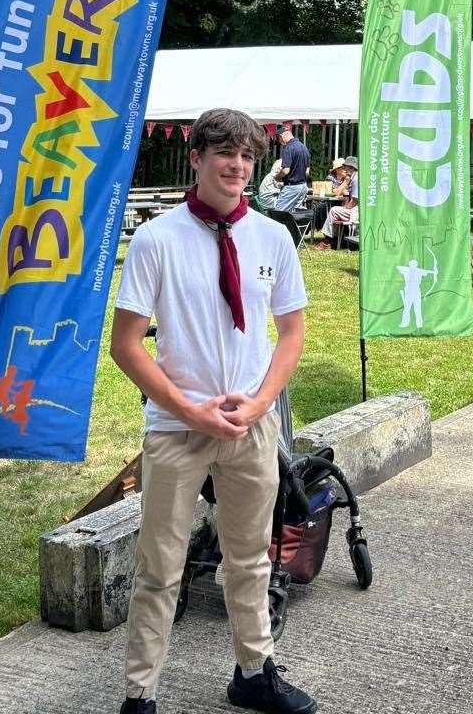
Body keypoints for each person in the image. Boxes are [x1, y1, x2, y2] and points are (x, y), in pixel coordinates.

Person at [109, 108, 317, 714]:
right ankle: (139, 694)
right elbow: (126, 346)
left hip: (251, 427)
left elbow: (292, 334)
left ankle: (253, 672)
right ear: (195, 158)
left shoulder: (273, 237)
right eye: (225, 153)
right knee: (159, 567)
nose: (238, 166)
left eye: (249, 156)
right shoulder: (156, 240)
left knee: (250, 558)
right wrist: (191, 412)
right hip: (178, 428)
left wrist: (259, 404)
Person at [318, 156, 359, 248]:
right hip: (357, 209)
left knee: (333, 210)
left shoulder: (356, 179)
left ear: (352, 167)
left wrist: (346, 207)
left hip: (357, 211)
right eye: (342, 167)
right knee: (336, 210)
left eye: (346, 167)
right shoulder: (352, 178)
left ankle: (327, 241)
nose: (344, 169)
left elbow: (355, 201)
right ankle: (334, 239)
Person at [272, 122, 310, 214]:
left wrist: (277, 177)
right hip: (303, 187)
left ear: (282, 136)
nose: (281, 143)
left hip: (291, 187)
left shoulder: (288, 148)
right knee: (295, 214)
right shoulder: (304, 148)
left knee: (279, 213)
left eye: (279, 140)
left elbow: (285, 170)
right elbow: (307, 172)